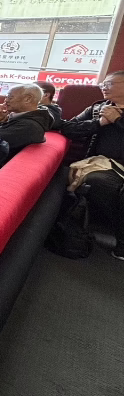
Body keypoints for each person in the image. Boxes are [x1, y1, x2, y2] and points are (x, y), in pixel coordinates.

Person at [60, 70, 124, 260]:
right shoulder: (98, 107)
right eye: (103, 84)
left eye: (110, 83)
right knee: (98, 181)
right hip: (102, 166)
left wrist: (118, 120)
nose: (104, 87)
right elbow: (69, 128)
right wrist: (99, 123)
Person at [0, 83, 51, 157]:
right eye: (6, 97)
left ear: (28, 99)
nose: (5, 101)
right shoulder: (22, 118)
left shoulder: (28, 126)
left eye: (10, 97)